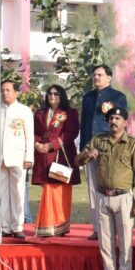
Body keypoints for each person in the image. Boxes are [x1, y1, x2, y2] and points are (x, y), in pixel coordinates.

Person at [76, 106, 135, 270]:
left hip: (124, 198)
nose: (113, 121)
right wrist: (88, 156)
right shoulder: (98, 140)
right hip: (102, 197)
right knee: (105, 245)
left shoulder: (133, 144)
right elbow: (77, 160)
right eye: (111, 118)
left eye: (117, 118)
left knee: (125, 245)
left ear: (125, 122)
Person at [80, 64, 128, 240]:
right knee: (93, 189)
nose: (96, 78)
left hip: (109, 149)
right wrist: (84, 149)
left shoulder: (118, 97)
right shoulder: (88, 98)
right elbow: (84, 123)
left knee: (110, 187)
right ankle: (97, 229)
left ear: (109, 77)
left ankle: (112, 228)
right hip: (90, 149)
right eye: (94, 75)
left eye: (100, 75)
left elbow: (122, 123)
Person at [0, 79, 35, 240]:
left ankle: (17, 226)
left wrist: (29, 156)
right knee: (1, 194)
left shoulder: (25, 110)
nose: (5, 93)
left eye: (8, 90)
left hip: (18, 157)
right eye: (3, 90)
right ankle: (4, 226)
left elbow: (29, 136)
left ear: (16, 92)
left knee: (18, 193)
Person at [32, 84, 80, 238]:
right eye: (50, 93)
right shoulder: (40, 113)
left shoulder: (69, 113)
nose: (52, 96)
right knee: (47, 191)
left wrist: (51, 145)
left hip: (60, 157)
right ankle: (47, 225)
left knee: (59, 191)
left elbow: (70, 133)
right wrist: (38, 144)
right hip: (43, 157)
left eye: (56, 93)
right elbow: (34, 132)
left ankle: (59, 225)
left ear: (62, 96)